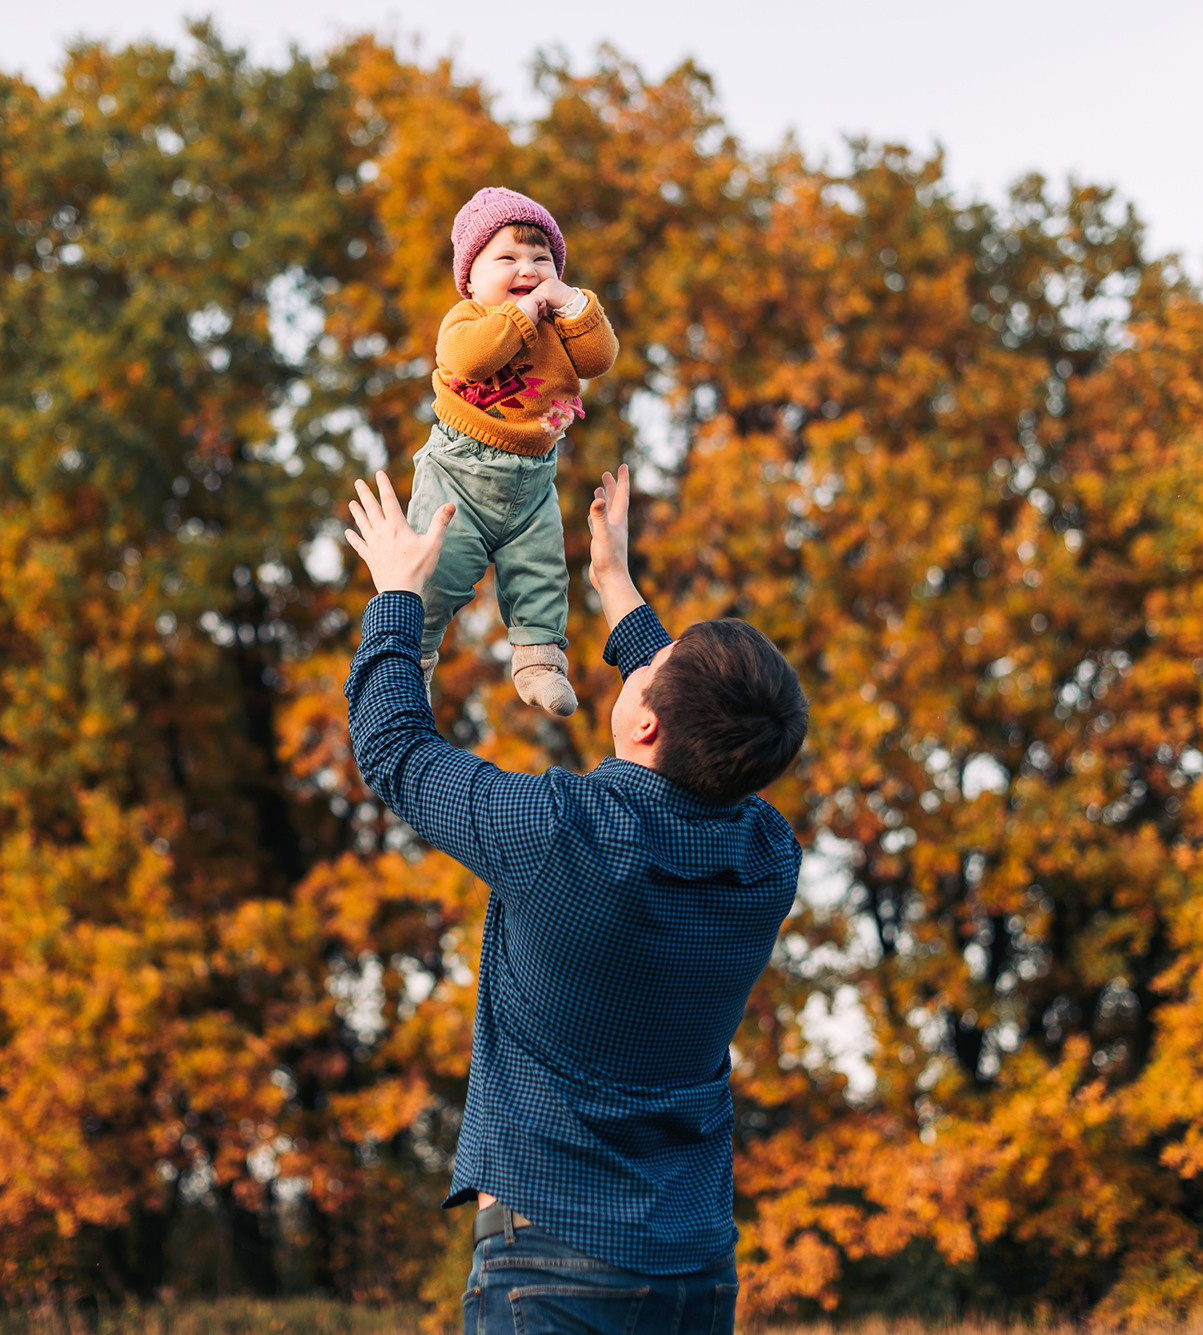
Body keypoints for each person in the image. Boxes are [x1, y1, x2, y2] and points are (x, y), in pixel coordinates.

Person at [341, 464, 808, 1334]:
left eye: (652, 663)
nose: (644, 659)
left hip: (556, 1274)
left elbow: (395, 751)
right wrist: (613, 585)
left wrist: (399, 596)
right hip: (695, 1274)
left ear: (645, 720)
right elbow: (703, 736)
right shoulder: (767, 859)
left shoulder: (560, 834)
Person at [405, 186, 620, 717]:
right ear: (471, 279)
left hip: (532, 479)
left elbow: (599, 359)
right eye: (508, 257)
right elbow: (471, 359)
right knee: (434, 571)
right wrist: (522, 314)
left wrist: (570, 303)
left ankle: (539, 661)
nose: (528, 267)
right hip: (460, 471)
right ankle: (410, 665)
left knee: (542, 569)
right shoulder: (467, 320)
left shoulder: (563, 323)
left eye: (541, 258)